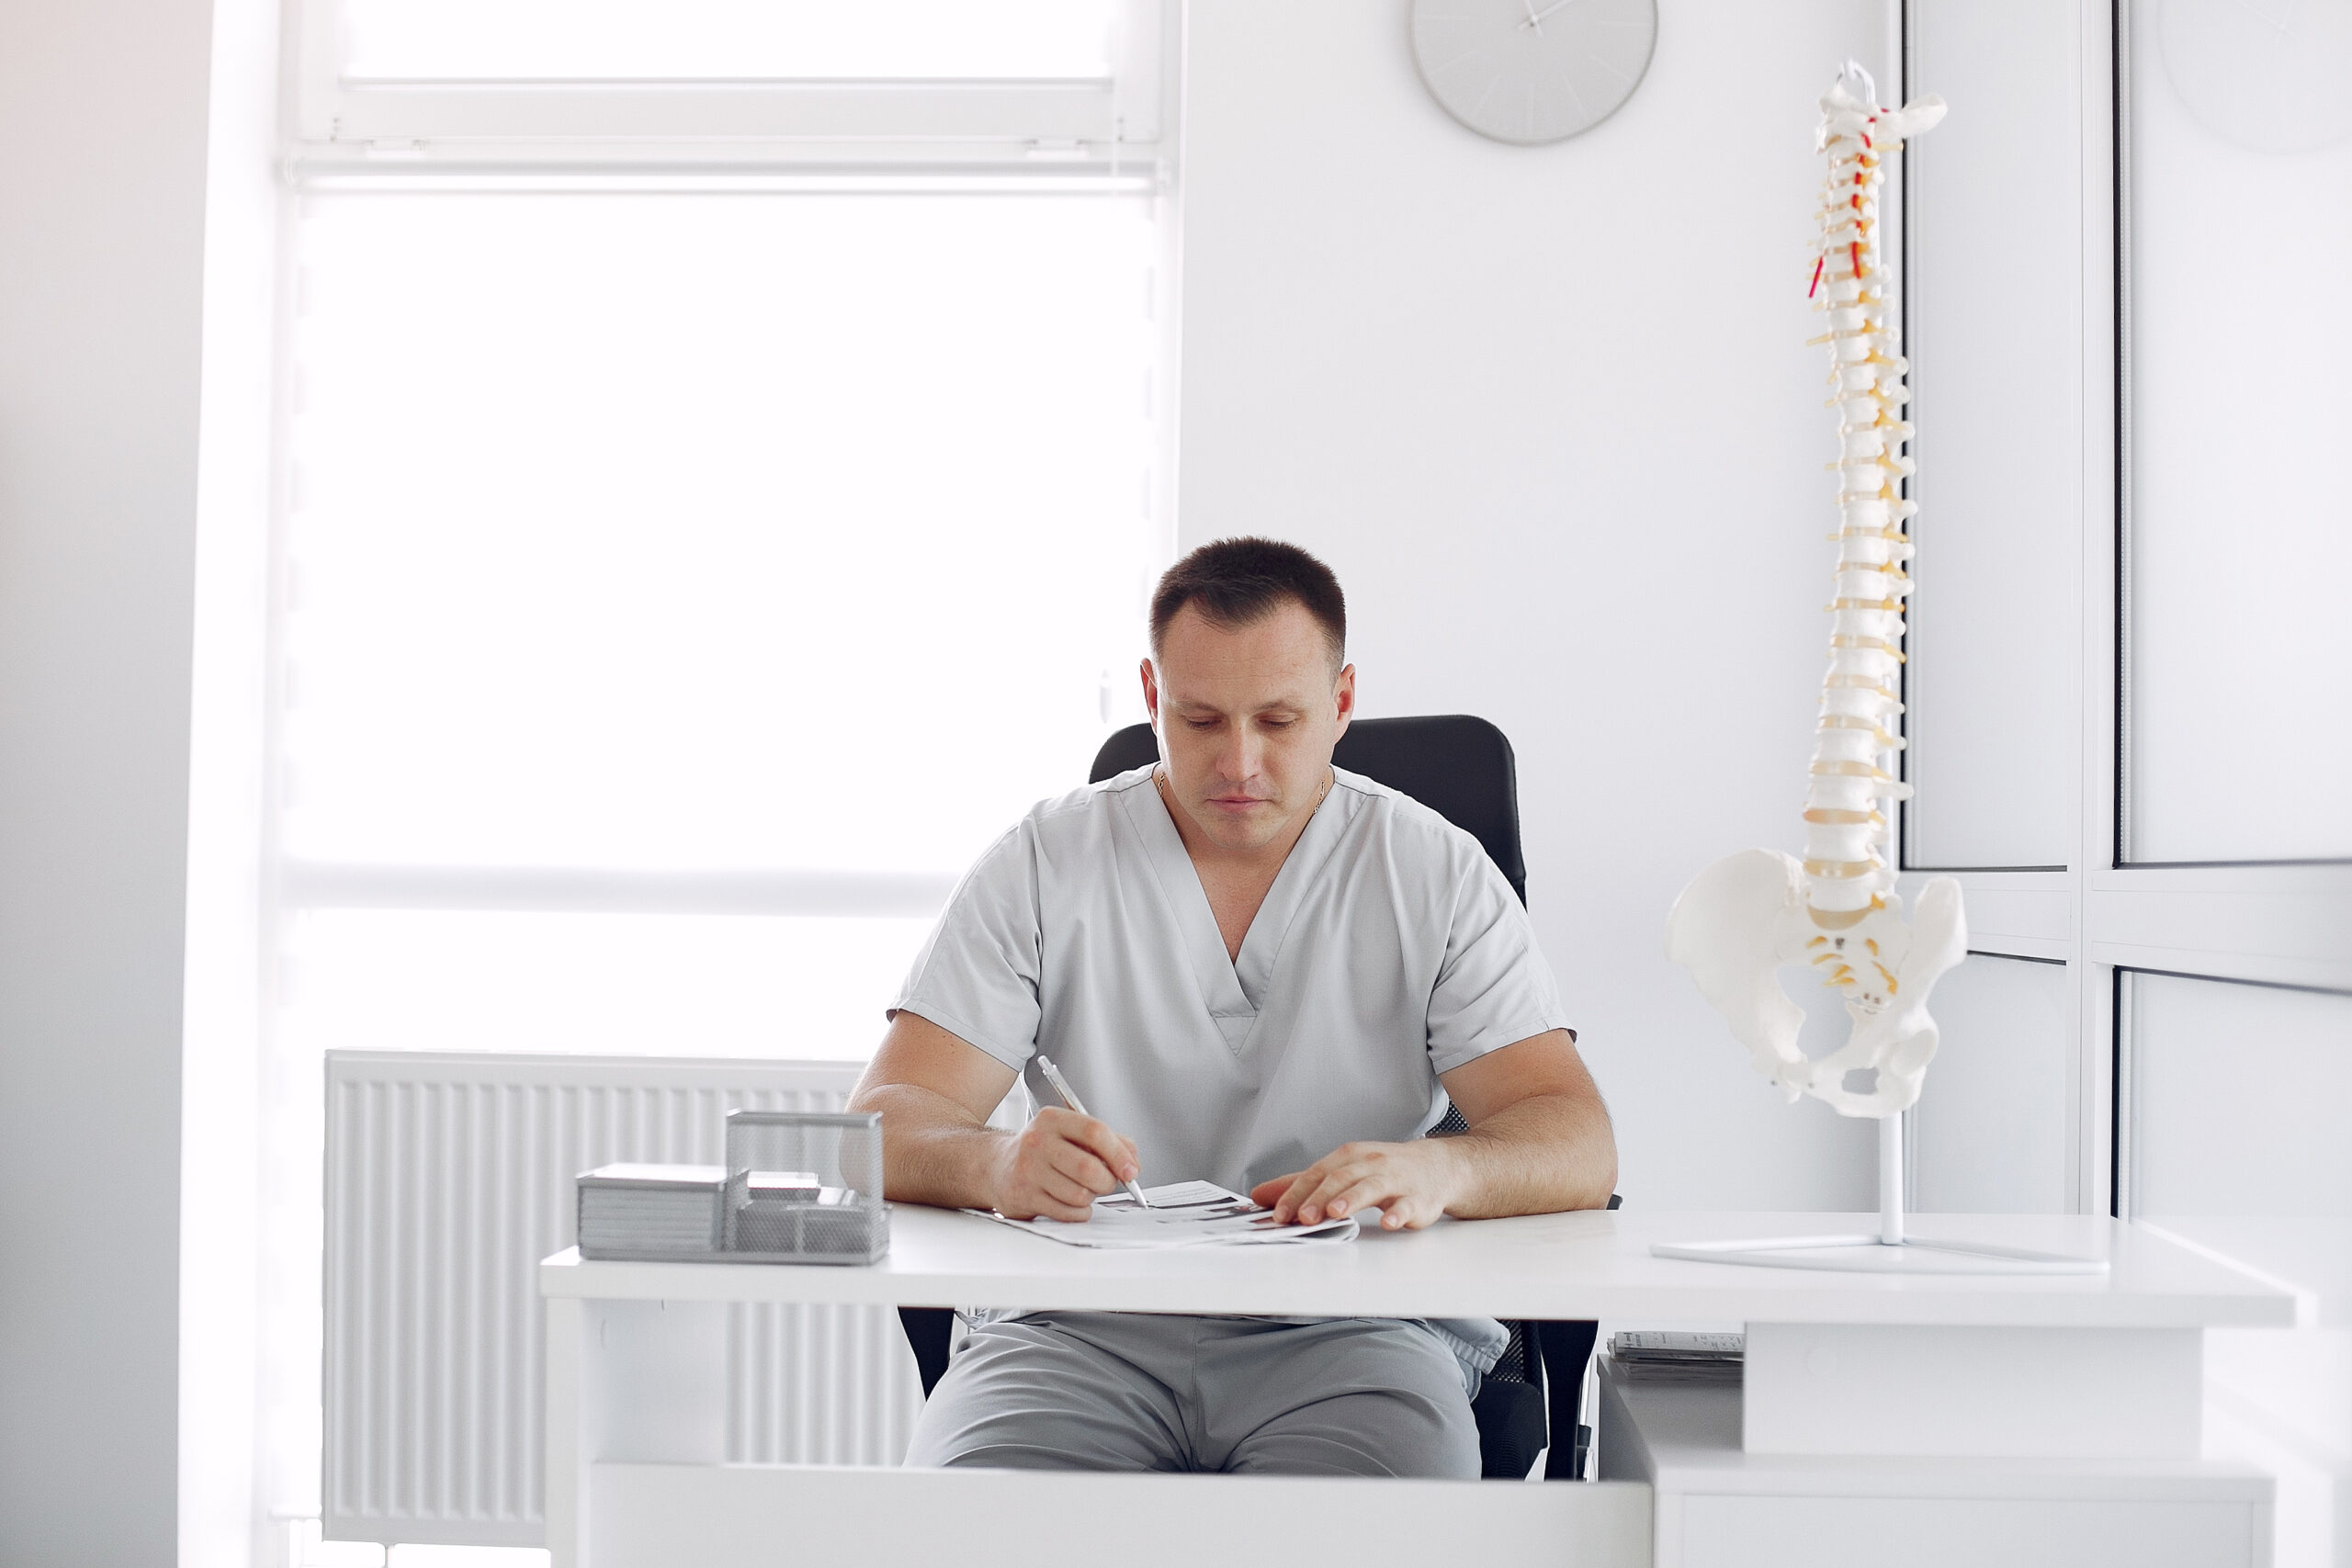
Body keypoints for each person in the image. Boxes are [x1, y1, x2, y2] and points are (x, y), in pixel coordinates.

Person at [847, 536, 1616, 1478]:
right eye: (1200, 718)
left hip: (1353, 1338)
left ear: (1340, 705)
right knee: (969, 1521)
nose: (1238, 763)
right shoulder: (1047, 861)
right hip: (1075, 1337)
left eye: (1278, 720)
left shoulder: (1434, 871)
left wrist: (1443, 1171)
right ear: (1148, 695)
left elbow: (1574, 1138)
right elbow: (884, 1125)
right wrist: (994, 1161)